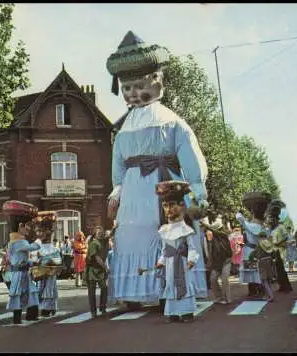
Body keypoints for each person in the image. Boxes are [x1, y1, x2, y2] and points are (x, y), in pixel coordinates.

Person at [106, 31, 209, 310]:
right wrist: (117, 192)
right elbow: (117, 164)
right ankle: (137, 291)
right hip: (134, 191)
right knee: (132, 234)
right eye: (127, 88)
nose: (133, 94)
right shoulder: (123, 128)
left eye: (139, 86)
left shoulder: (171, 121)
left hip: (165, 187)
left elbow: (190, 155)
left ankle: (169, 287)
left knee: (167, 230)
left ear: (156, 82)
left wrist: (197, 190)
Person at [155, 181, 200, 323]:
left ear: (181, 205)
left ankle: (186, 312)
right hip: (169, 263)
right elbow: (164, 249)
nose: (169, 209)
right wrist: (161, 261)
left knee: (184, 283)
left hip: (182, 262)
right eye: (165, 206)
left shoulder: (186, 230)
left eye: (172, 205)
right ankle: (173, 312)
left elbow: (192, 247)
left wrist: (192, 259)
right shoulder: (164, 230)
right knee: (170, 284)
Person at [2, 200, 42, 325]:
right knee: (18, 295)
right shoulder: (19, 242)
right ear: (20, 226)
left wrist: (31, 262)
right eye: (26, 226)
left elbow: (22, 258)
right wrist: (41, 237)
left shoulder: (15, 241)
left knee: (32, 293)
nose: (28, 228)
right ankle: (18, 318)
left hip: (23, 272)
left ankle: (31, 315)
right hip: (19, 274)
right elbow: (34, 247)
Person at [236, 192, 273, 298]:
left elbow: (239, 217)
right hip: (257, 250)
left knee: (252, 270)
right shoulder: (263, 228)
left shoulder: (250, 225)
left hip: (250, 251)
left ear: (253, 213)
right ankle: (260, 290)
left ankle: (254, 290)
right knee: (257, 270)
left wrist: (240, 210)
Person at [33, 211, 61, 317]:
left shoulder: (54, 248)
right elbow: (34, 260)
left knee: (49, 289)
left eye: (42, 231)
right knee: (41, 289)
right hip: (40, 274)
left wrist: (51, 263)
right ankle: (45, 307)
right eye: (38, 231)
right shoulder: (36, 246)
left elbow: (58, 263)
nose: (39, 234)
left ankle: (48, 308)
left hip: (50, 274)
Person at [201, 218, 232, 305]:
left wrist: (205, 225)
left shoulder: (223, 236)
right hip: (216, 263)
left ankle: (227, 299)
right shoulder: (208, 239)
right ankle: (219, 297)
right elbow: (208, 253)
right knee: (213, 279)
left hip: (226, 261)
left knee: (224, 279)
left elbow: (216, 232)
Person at [265, 201, 292, 293]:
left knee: (281, 269)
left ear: (276, 219)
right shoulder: (271, 229)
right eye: (270, 219)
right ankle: (282, 286)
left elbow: (286, 237)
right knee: (278, 269)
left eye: (272, 219)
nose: (271, 220)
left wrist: (278, 243)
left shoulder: (281, 227)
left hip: (280, 250)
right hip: (274, 250)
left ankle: (287, 286)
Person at [85, 226, 110, 318]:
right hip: (92, 270)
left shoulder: (101, 241)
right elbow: (97, 258)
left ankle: (102, 308)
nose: (100, 234)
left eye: (101, 232)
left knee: (104, 288)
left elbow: (109, 236)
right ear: (95, 234)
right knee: (92, 292)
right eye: (98, 233)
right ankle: (93, 311)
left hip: (100, 270)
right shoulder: (93, 243)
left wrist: (114, 228)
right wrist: (106, 268)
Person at [250, 230, 275, 302]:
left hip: (262, 262)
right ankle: (269, 295)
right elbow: (273, 253)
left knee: (264, 280)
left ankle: (271, 296)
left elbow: (254, 254)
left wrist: (251, 259)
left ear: (260, 237)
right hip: (269, 261)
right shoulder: (269, 243)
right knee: (269, 279)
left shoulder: (259, 244)